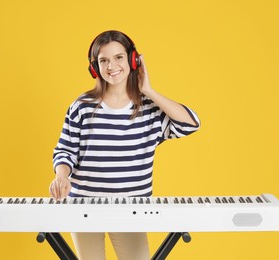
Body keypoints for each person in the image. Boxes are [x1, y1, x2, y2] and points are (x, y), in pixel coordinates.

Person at [49, 30, 200, 260]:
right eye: (104, 60)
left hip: (132, 208)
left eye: (119, 57)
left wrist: (148, 90)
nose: (111, 66)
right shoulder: (82, 106)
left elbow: (191, 123)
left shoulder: (149, 109)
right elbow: (65, 150)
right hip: (84, 206)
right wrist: (61, 176)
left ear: (133, 60)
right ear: (94, 67)